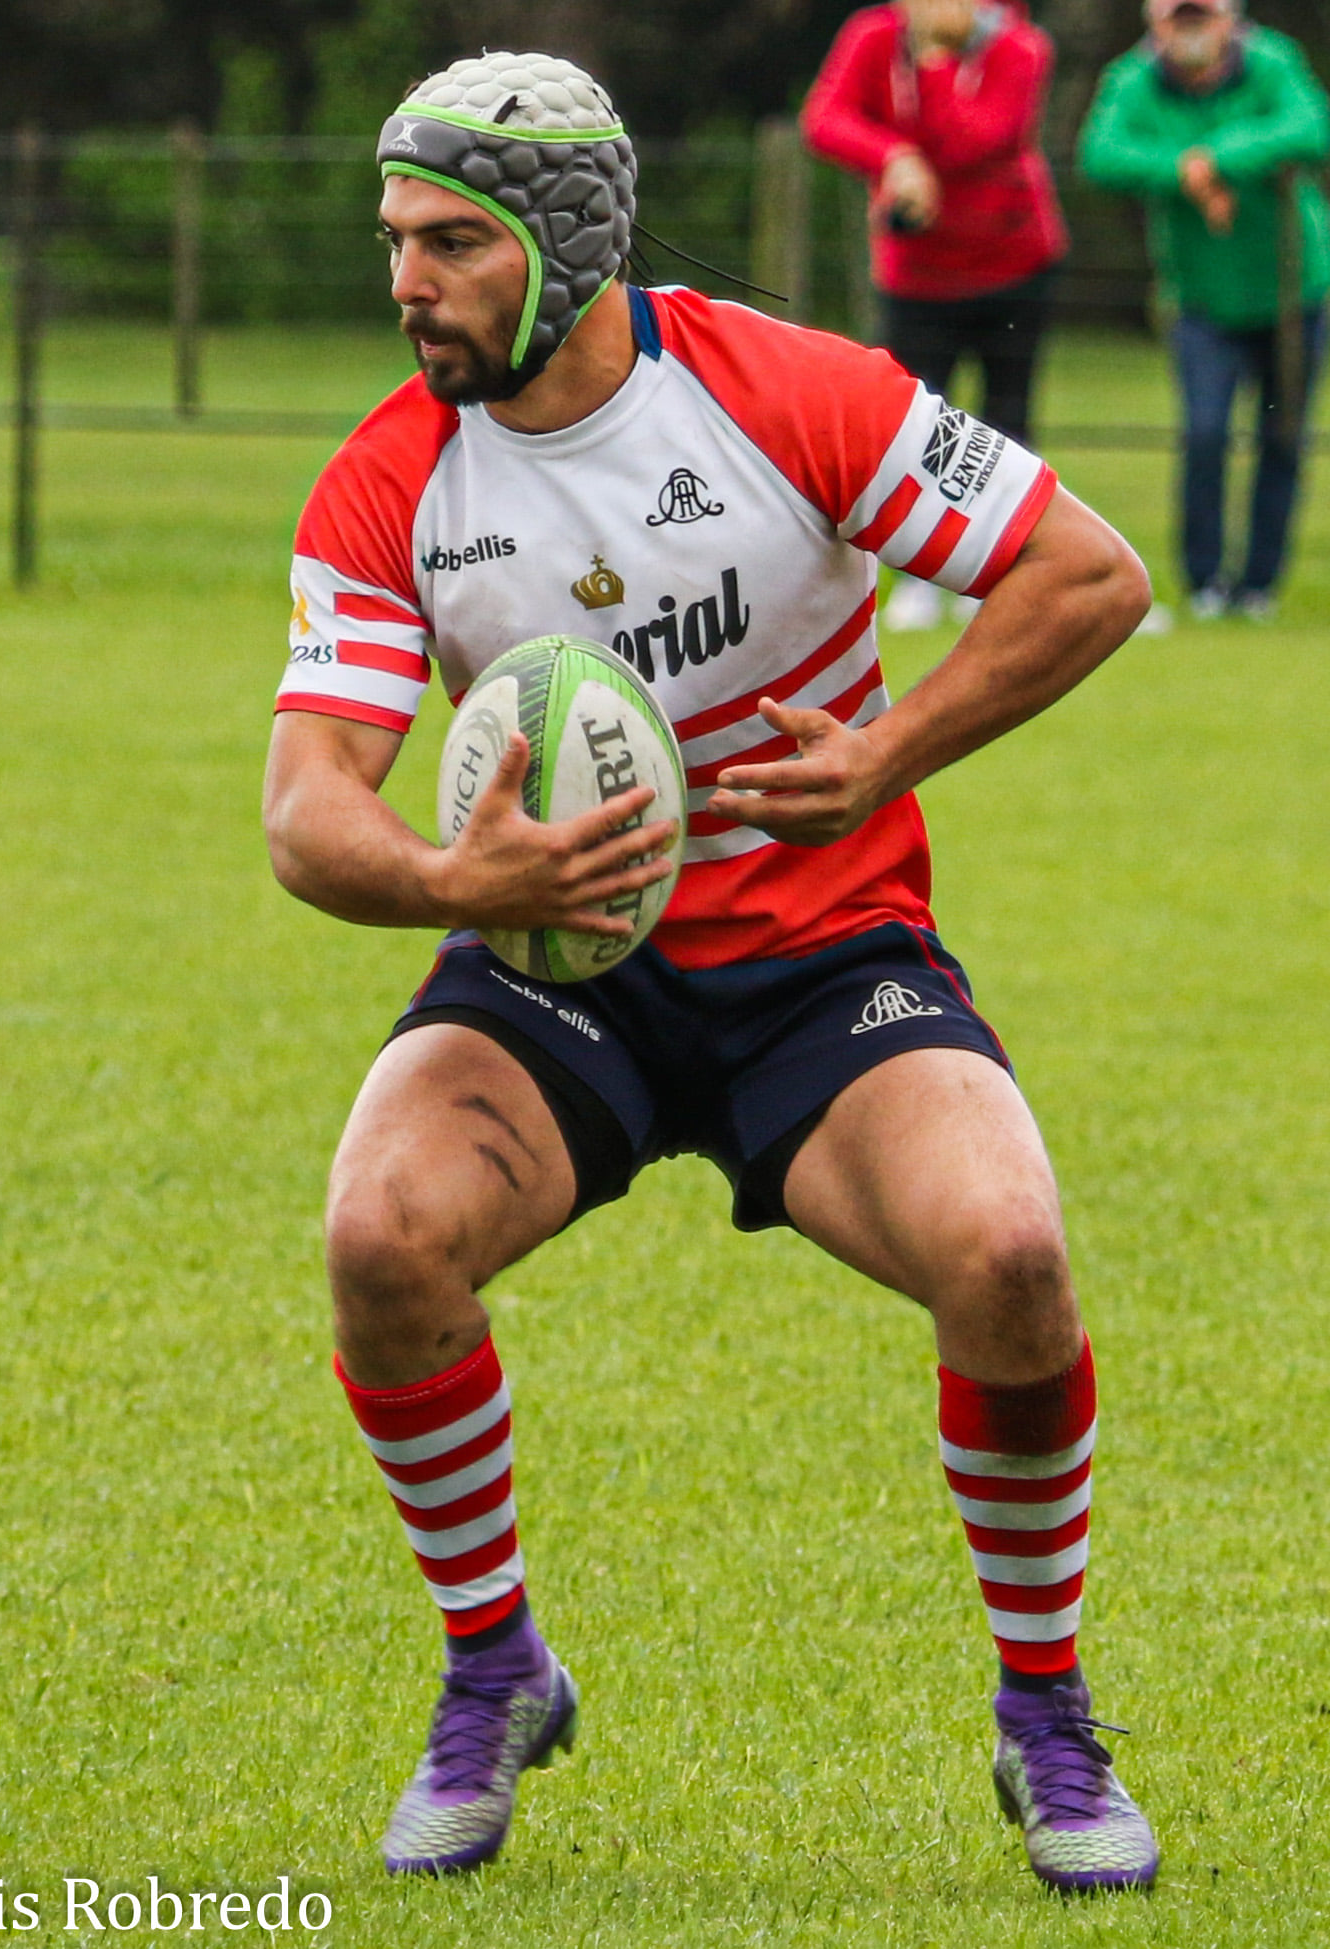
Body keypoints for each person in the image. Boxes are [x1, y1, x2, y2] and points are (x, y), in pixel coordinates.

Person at [262, 48, 1159, 1892]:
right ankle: (494, 1662)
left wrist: (880, 753)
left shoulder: (783, 389)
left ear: (562, 243)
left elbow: (1084, 574)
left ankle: (1046, 1712)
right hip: (552, 977)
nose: (404, 283)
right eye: (393, 241)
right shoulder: (394, 479)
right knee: (377, 1235)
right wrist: (454, 872)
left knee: (1006, 1254)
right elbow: (299, 810)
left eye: (448, 242)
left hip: (825, 966)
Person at [801, 0, 1068, 630]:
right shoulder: (871, 36)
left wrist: (938, 62)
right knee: (912, 434)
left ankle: (996, 573)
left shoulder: (1022, 48)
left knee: (1007, 424)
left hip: (1013, 267)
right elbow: (825, 118)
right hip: (916, 276)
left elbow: (977, 138)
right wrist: (892, 154)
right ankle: (919, 577)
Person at [1079, 0, 1330, 621]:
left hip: (1292, 292)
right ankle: (1204, 583)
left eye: (1204, 15)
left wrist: (1215, 158)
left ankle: (1259, 587)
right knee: (1204, 433)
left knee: (1283, 438)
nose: (1191, 30)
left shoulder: (1273, 60)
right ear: (1155, 23)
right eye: (1178, 17)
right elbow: (1102, 152)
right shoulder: (1132, 80)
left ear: (1231, 20)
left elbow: (1311, 128)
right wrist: (1180, 171)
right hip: (1200, 298)